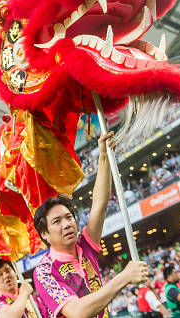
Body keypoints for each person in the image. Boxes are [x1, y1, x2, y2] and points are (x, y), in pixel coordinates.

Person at [32, 131, 148, 318]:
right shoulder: (44, 272)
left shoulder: (84, 245)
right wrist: (124, 277)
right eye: (57, 221)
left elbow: (100, 205)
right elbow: (77, 312)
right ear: (44, 234)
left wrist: (103, 155)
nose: (67, 224)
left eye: (69, 217)